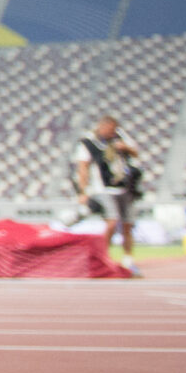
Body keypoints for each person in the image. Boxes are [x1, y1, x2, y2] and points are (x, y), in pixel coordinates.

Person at [72, 114, 143, 268]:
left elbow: (136, 153)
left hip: (125, 188)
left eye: (114, 130)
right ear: (102, 127)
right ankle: (102, 257)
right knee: (112, 221)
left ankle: (128, 258)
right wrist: (82, 192)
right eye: (110, 130)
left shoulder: (120, 137)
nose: (112, 133)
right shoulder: (87, 142)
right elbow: (82, 168)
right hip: (102, 188)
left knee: (128, 224)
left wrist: (125, 148)